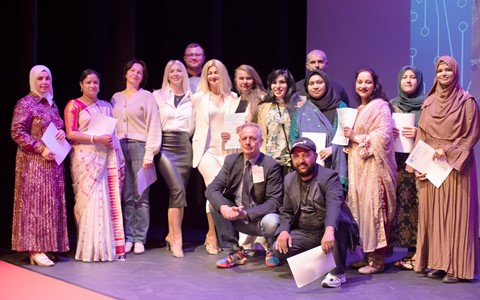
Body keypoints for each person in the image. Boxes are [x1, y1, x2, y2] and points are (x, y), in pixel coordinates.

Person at [409, 56, 479, 283]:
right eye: (440, 70)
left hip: (456, 166)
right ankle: (438, 263)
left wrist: (448, 151)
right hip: (432, 165)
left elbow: (471, 136)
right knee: (435, 215)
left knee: (455, 216)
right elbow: (422, 134)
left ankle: (455, 267)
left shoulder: (466, 101)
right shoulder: (428, 103)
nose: (444, 74)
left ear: (455, 72)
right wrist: (419, 165)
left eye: (448, 70)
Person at [272, 137, 359, 288]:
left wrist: (329, 230)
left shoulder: (329, 177)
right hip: (307, 232)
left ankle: (338, 273)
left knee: (340, 222)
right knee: (278, 249)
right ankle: (324, 260)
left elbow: (334, 205)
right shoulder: (289, 179)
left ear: (315, 156)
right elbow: (286, 210)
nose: (301, 160)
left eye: (305, 155)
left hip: (328, 229)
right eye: (296, 156)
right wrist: (283, 230)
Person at [64, 69, 126, 262]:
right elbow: (70, 134)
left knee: (105, 202)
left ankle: (106, 248)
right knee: (87, 201)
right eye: (88, 82)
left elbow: (112, 134)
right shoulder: (74, 105)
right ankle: (88, 248)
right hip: (84, 159)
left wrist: (112, 148)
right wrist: (95, 138)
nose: (92, 86)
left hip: (105, 158)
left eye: (95, 83)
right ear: (81, 84)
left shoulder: (106, 106)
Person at [11, 65, 70, 266]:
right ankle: (35, 249)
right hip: (33, 162)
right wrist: (40, 148)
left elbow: (56, 128)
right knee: (35, 205)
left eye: (47, 78)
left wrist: (61, 134)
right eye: (40, 79)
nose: (44, 82)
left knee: (49, 204)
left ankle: (47, 246)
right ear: (32, 81)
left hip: (53, 163)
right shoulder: (26, 103)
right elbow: (17, 132)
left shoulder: (52, 105)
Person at [343, 66, 397, 274]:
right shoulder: (356, 110)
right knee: (359, 210)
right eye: (360, 82)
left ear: (375, 85)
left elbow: (383, 137)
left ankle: (377, 260)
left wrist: (356, 137)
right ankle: (365, 255)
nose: (363, 85)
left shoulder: (381, 106)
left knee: (374, 208)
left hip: (375, 168)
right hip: (357, 167)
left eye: (368, 82)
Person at [206, 123, 283, 268]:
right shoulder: (231, 161)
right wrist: (224, 208)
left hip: (260, 218)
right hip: (237, 217)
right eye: (244, 138)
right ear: (239, 141)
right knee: (214, 204)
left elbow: (275, 202)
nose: (248, 142)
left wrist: (246, 214)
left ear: (260, 142)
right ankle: (234, 252)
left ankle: (272, 249)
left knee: (272, 222)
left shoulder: (271, 165)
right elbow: (212, 189)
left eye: (253, 138)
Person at [111, 59, 162, 255]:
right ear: (125, 73)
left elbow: (154, 125)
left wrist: (150, 153)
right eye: (132, 70)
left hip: (140, 147)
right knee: (126, 194)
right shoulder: (115, 97)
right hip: (120, 148)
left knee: (141, 194)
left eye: (139, 72)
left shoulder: (147, 97)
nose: (135, 74)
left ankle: (140, 237)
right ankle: (128, 237)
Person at [192, 59, 238, 254]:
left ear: (222, 75)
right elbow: (191, 125)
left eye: (216, 72)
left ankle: (226, 235)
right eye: (209, 73)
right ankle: (212, 234)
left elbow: (239, 125)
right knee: (214, 190)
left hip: (227, 152)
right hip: (207, 152)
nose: (213, 76)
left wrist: (234, 133)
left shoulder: (233, 97)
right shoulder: (199, 98)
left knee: (226, 192)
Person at [152, 60, 193, 258]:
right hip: (165, 145)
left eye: (179, 70)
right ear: (167, 74)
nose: (176, 73)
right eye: (172, 71)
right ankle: (178, 239)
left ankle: (171, 234)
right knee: (176, 189)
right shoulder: (157, 96)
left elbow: (195, 124)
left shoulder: (193, 97)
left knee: (180, 193)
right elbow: (152, 123)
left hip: (185, 145)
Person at [389, 66, 425, 270]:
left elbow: (433, 131)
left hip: (420, 163)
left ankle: (418, 252)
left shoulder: (427, 104)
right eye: (405, 77)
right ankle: (403, 252)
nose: (409, 80)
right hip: (397, 164)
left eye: (413, 77)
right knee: (400, 206)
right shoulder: (392, 104)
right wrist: (389, 131)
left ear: (419, 81)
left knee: (419, 207)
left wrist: (418, 131)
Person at [290, 69, 348, 190]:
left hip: (333, 164)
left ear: (326, 84)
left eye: (319, 82)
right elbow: (294, 139)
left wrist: (333, 148)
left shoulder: (341, 107)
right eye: (311, 84)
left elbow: (345, 135)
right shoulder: (300, 111)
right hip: (307, 167)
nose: (315, 86)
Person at [257, 69, 303, 176]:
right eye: (274, 82)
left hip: (291, 161)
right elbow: (261, 134)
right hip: (268, 161)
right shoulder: (263, 107)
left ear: (289, 85)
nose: (277, 86)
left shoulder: (299, 105)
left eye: (282, 82)